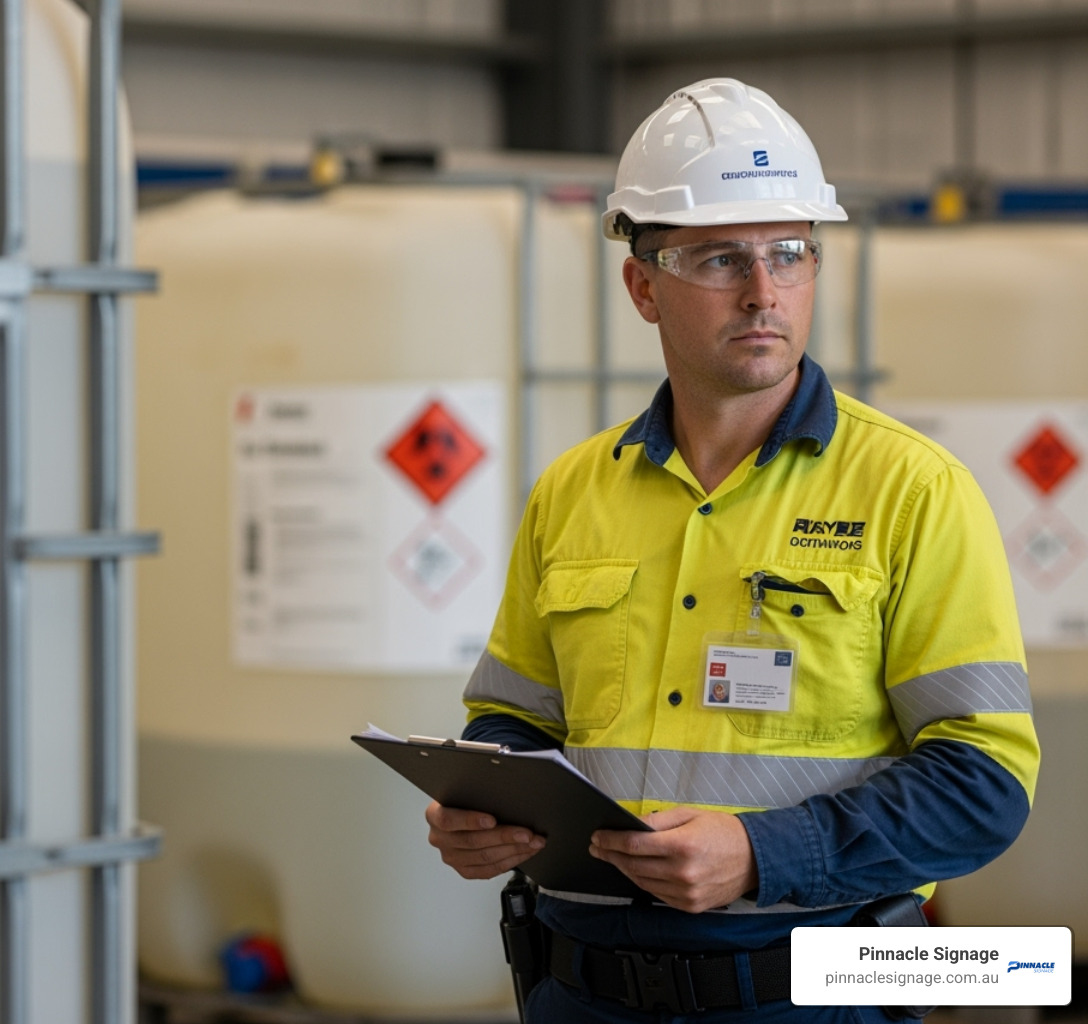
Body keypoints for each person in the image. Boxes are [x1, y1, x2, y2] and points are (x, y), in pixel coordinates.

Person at [425, 78, 1040, 1022]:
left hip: (821, 994)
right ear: (643, 286)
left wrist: (764, 854)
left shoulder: (915, 490)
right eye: (718, 259)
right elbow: (515, 726)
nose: (764, 292)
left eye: (789, 253)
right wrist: (479, 808)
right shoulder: (572, 491)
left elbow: (984, 785)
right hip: (578, 990)